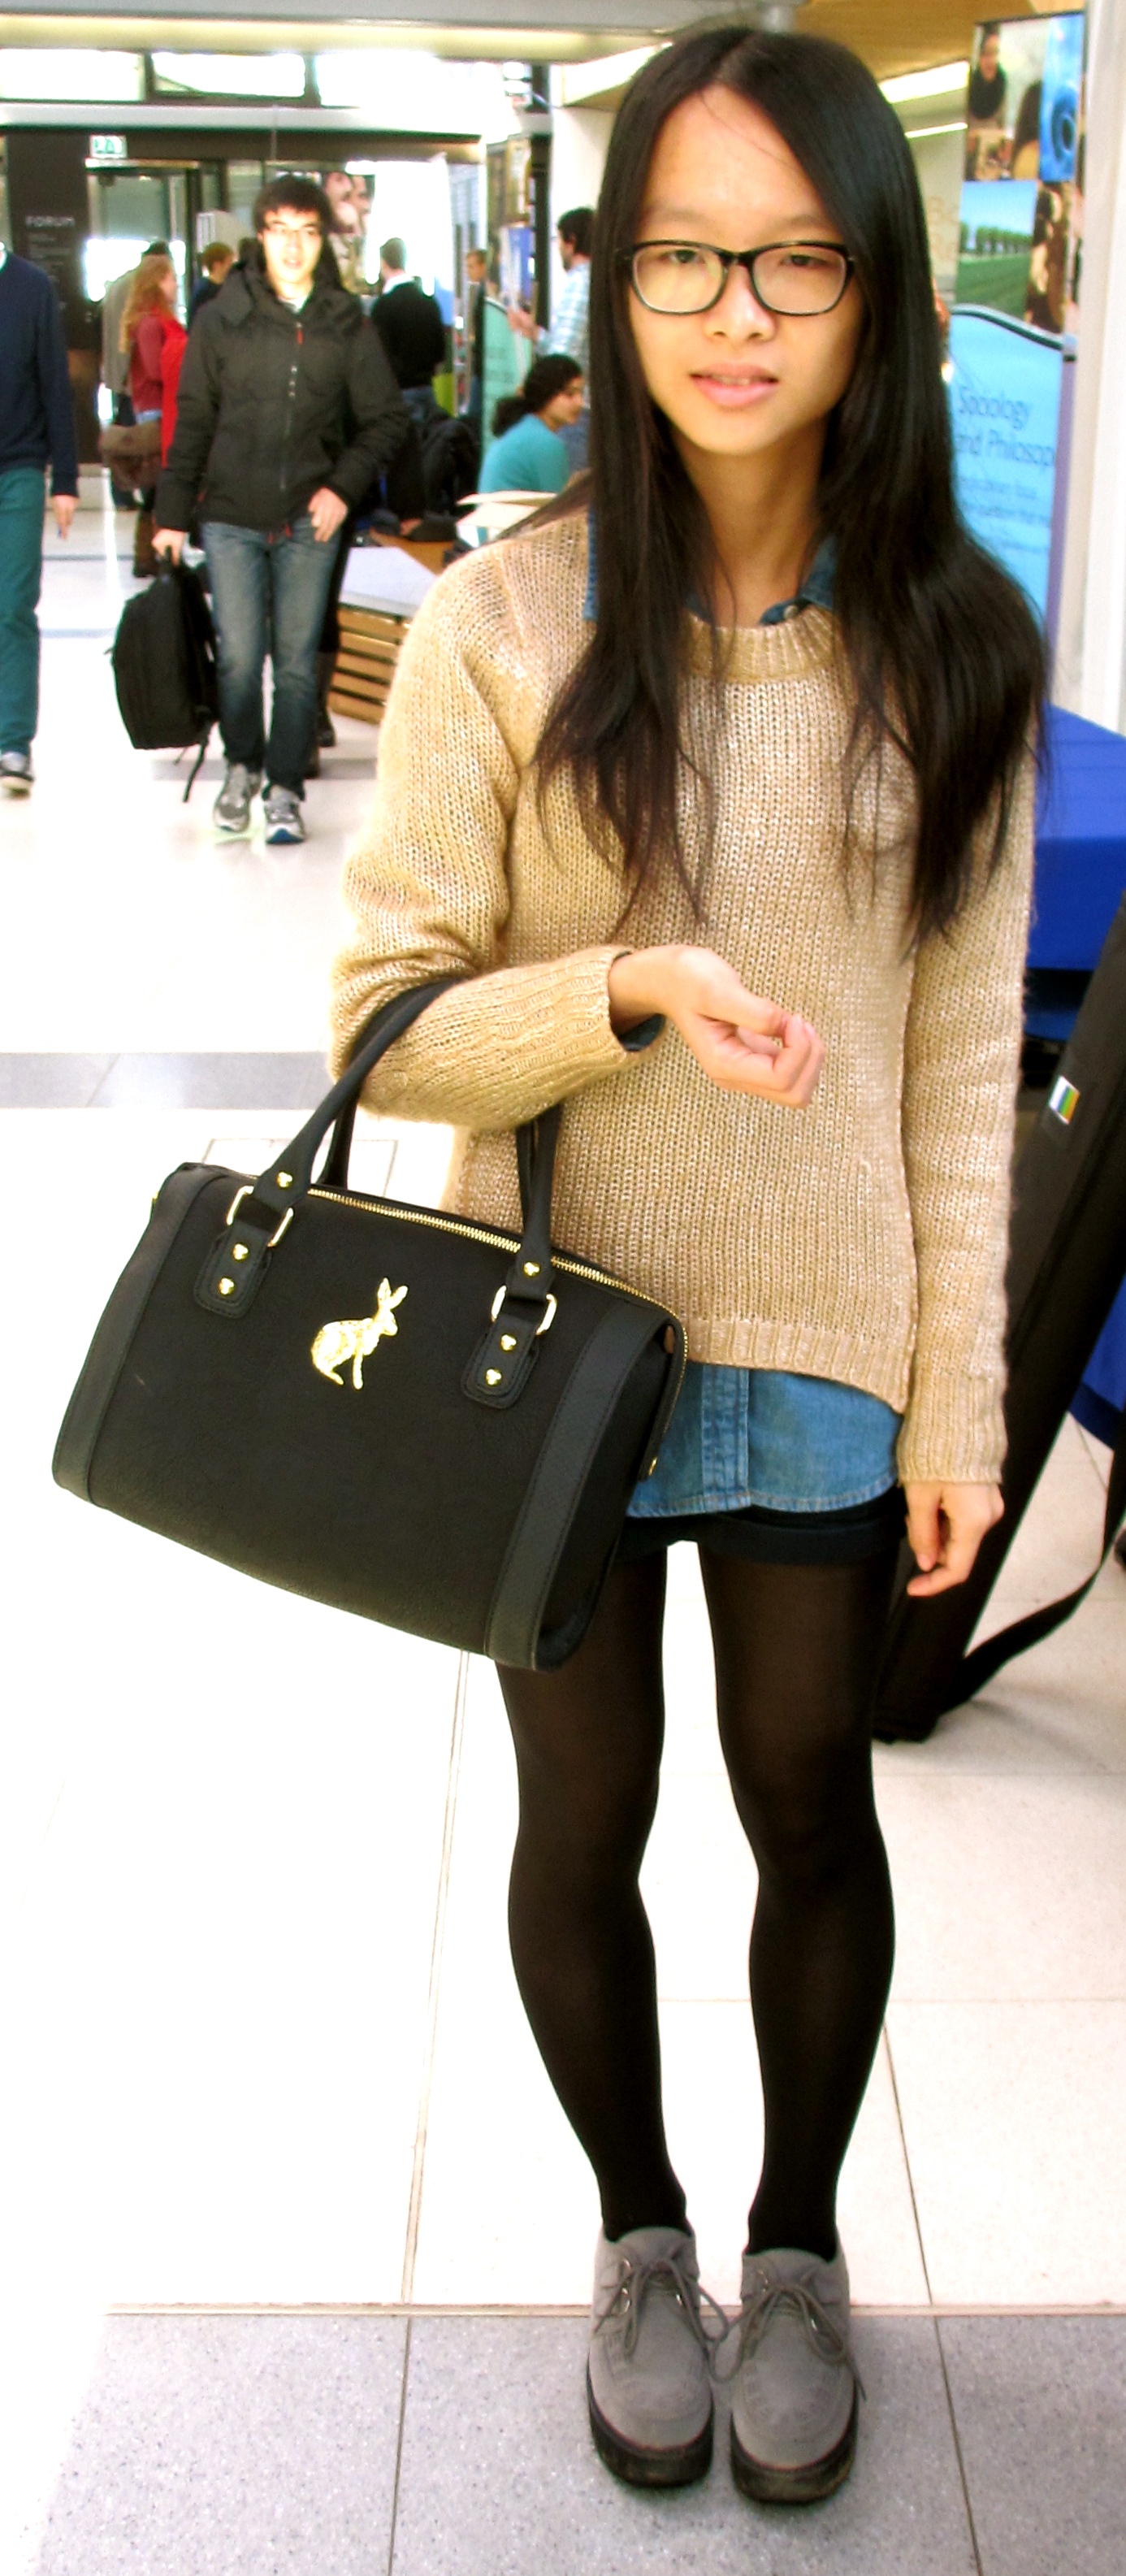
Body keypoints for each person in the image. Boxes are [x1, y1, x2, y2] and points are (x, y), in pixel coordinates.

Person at [330, 25, 1044, 2508]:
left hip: (825, 1332)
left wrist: (960, 1399)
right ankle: (640, 2231)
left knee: (812, 1799)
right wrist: (622, 988)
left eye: (794, 263)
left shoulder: (958, 646)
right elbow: (383, 1027)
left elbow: (959, 1074)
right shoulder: (501, 625)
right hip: (549, 1340)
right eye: (682, 259)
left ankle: (798, 2242)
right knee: (583, 1814)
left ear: (876, 297)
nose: (735, 315)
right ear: (615, 282)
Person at [152, 176, 408, 847]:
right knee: (239, 659)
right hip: (231, 516)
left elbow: (386, 419)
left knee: (295, 665)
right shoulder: (222, 317)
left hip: (308, 520)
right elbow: (194, 420)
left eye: (307, 233)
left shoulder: (345, 322)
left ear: (323, 242)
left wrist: (342, 489)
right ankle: (242, 769)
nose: (293, 247)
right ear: (260, 237)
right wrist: (171, 514)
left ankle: (286, 789)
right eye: (280, 231)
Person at [0, 240, 78, 794]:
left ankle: (12, 741)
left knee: (12, 606)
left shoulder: (32, 288)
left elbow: (55, 383)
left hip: (19, 472)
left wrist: (67, 479)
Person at [122, 249, 187, 575]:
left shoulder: (157, 320)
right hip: (156, 412)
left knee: (158, 487)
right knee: (160, 486)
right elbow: (156, 369)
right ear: (158, 282)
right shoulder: (151, 323)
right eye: (171, 278)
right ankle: (154, 553)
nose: (176, 284)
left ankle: (151, 553)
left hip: (162, 409)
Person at [101, 237, 169, 510]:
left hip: (119, 371)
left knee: (125, 434)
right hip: (135, 374)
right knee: (137, 439)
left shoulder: (118, 284)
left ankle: (121, 493)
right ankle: (136, 489)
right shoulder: (140, 288)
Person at [479, 354, 585, 494]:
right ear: (546, 394)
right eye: (569, 394)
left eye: (581, 394)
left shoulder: (521, 430)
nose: (580, 403)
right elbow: (558, 504)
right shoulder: (545, 443)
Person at [371, 237, 448, 429]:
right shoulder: (429, 304)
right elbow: (440, 353)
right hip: (428, 392)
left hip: (397, 396)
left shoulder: (383, 307)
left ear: (383, 263)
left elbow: (377, 358)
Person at [508, 206, 594, 373]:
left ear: (571, 242)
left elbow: (563, 358)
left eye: (559, 240)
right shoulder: (589, 280)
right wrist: (534, 332)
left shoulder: (580, 284)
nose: (559, 248)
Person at [968, 24, 1007, 129]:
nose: (992, 61)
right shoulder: (969, 83)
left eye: (996, 53)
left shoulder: (1001, 83)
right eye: (987, 54)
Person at [188, 241, 234, 327]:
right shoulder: (204, 291)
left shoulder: (226, 286)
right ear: (217, 265)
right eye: (229, 263)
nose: (231, 267)